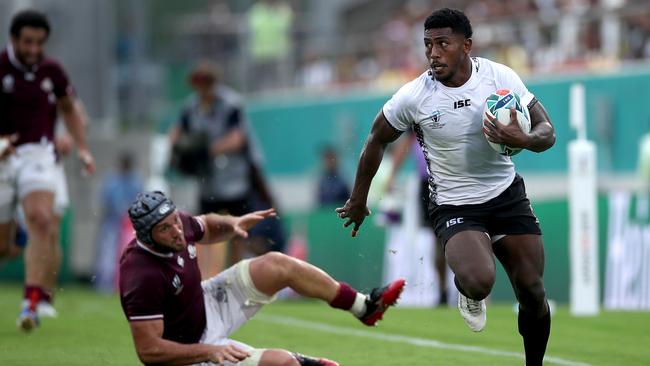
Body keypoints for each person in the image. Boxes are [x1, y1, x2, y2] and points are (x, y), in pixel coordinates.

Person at [336, 8, 555, 366]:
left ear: (466, 45)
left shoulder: (500, 77)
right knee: (480, 281)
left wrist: (525, 138)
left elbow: (548, 131)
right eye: (427, 45)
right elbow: (376, 138)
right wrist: (358, 199)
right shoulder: (415, 96)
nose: (433, 53)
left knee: (533, 291)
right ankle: (468, 293)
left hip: (506, 194)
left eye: (443, 44)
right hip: (456, 205)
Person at [119, 191, 405, 366]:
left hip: (204, 304)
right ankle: (301, 362)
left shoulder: (176, 222)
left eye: (175, 222)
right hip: (187, 352)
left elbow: (205, 225)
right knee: (282, 364)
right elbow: (149, 351)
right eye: (165, 230)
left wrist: (231, 224)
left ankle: (365, 307)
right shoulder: (140, 274)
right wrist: (206, 350)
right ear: (147, 237)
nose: (177, 231)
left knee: (278, 265)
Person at [0, 9, 96, 331]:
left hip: (40, 153)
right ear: (14, 40)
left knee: (45, 219)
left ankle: (33, 304)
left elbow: (70, 109)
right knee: (4, 248)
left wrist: (81, 148)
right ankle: (16, 237)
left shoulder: (52, 70)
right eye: (27, 42)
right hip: (1, 158)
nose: (33, 49)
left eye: (39, 43)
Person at [169, 60, 281, 265]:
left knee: (237, 229)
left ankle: (234, 272)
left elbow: (237, 138)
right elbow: (176, 133)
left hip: (235, 179)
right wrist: (180, 149)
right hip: (208, 181)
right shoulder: (191, 107)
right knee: (204, 227)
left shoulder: (230, 103)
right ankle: (205, 275)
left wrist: (207, 150)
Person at [386, 132, 449, 306]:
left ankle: (461, 288)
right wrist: (392, 175)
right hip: (427, 185)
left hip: (450, 180)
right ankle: (443, 290)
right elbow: (405, 145)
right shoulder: (416, 114)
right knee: (437, 238)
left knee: (455, 235)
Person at [94, 151, 143, 292]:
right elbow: (106, 202)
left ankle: (126, 283)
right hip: (112, 223)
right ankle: (104, 284)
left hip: (129, 225)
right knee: (107, 255)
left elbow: (139, 202)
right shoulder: (112, 180)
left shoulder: (136, 180)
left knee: (129, 255)